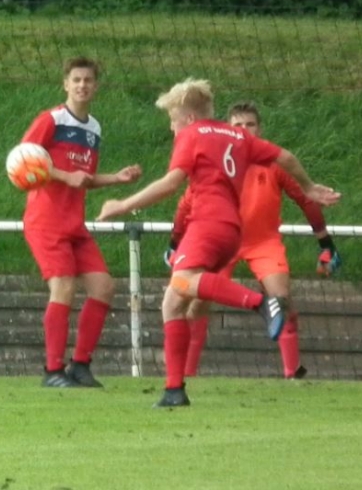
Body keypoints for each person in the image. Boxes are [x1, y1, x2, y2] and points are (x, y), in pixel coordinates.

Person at [96, 78, 340, 407]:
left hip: (207, 224)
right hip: (231, 230)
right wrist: (308, 187)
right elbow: (285, 156)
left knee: (182, 281)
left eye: (173, 120)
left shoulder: (192, 135)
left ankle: (261, 303)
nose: (171, 127)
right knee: (173, 303)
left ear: (189, 118)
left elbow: (171, 184)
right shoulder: (239, 136)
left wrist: (122, 205)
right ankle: (174, 390)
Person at [166, 102, 342, 379]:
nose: (245, 129)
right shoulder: (214, 161)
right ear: (228, 130)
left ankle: (292, 371)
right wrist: (174, 243)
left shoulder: (272, 164)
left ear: (259, 129)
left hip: (263, 242)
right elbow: (186, 203)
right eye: (238, 125)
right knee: (196, 301)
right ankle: (188, 373)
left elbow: (305, 199)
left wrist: (325, 243)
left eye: (250, 124)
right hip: (222, 241)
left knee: (282, 297)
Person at [19, 56, 142, 388]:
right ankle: (52, 371)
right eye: (76, 80)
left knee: (104, 287)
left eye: (88, 80)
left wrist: (117, 178)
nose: (82, 85)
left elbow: (83, 178)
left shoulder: (93, 128)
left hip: (74, 224)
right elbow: (22, 159)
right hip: (46, 220)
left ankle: (80, 366)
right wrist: (62, 175)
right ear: (66, 84)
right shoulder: (51, 120)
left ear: (96, 86)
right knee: (63, 287)